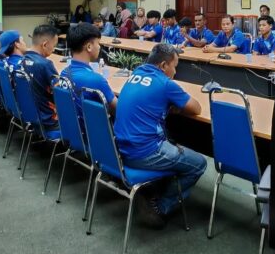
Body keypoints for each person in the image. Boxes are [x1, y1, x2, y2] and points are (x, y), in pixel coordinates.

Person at [112, 43, 205, 228]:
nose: (175, 72)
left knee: (170, 139)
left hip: (121, 151)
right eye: (174, 67)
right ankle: (160, 207)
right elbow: (196, 108)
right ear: (163, 65)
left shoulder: (135, 74)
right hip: (144, 153)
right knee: (199, 164)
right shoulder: (165, 84)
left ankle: (152, 190)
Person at [61, 24, 117, 112]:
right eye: (98, 43)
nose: (99, 47)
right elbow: (119, 109)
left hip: (69, 121)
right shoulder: (97, 80)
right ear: (89, 47)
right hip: (93, 121)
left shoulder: (64, 73)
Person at [22, 25, 60, 134]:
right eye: (54, 46)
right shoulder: (45, 65)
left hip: (30, 116)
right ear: (45, 44)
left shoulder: (22, 60)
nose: (54, 49)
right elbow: (60, 94)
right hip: (49, 121)